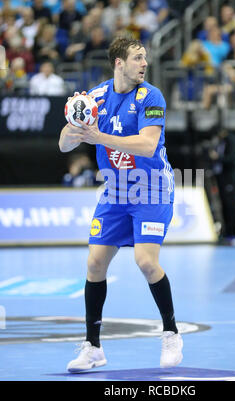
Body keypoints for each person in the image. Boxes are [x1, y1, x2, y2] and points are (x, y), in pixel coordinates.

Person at [59, 36, 183, 372]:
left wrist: (98, 137)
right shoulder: (96, 97)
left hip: (151, 188)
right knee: (95, 264)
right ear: (119, 62)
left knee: (145, 261)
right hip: (115, 191)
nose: (144, 63)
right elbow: (63, 145)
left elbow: (146, 145)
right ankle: (93, 347)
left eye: (145, 58)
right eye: (137, 58)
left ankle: (171, 333)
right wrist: (75, 123)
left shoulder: (151, 96)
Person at [208, 129, 235, 244]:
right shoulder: (219, 142)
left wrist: (217, 157)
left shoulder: (231, 140)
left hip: (229, 178)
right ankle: (227, 232)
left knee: (232, 205)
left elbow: (231, 158)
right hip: (221, 177)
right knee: (224, 205)